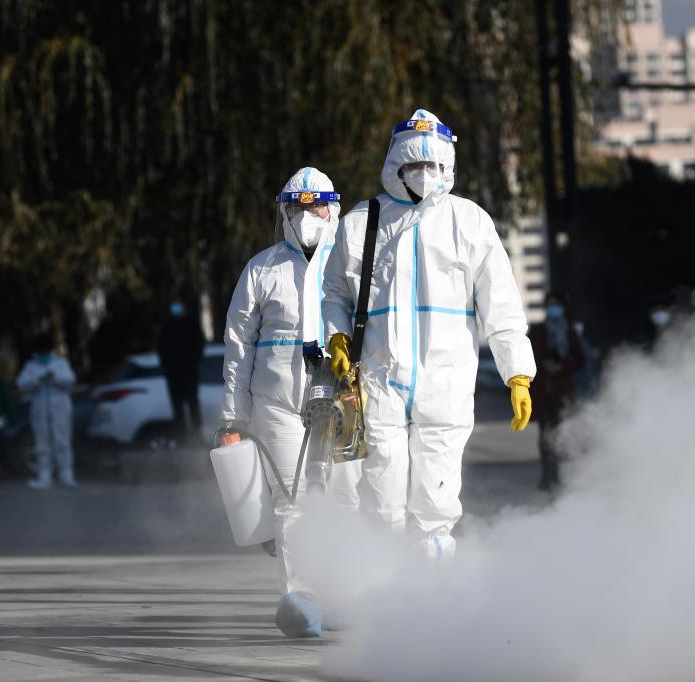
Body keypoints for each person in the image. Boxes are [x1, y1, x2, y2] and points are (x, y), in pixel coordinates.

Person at [322, 109, 536, 559]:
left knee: (436, 500)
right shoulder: (363, 222)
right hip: (380, 377)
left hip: (446, 378)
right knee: (383, 497)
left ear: (448, 166)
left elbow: (500, 302)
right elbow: (335, 292)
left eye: (434, 165)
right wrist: (337, 337)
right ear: (395, 164)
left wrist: (517, 373)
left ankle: (433, 587)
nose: (424, 173)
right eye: (415, 164)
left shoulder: (468, 221)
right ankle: (385, 585)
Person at [219, 167, 361, 638]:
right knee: (292, 499)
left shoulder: (351, 265)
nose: (307, 216)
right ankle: (302, 599)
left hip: (340, 394)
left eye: (316, 206)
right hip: (277, 400)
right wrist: (233, 417)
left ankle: (345, 595)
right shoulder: (262, 269)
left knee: (344, 496)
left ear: (333, 210)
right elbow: (238, 346)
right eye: (297, 208)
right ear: (283, 212)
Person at [528, 293, 585, 490]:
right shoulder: (537, 331)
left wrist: (562, 367)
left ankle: (565, 474)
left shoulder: (569, 332)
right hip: (544, 391)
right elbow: (528, 356)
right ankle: (548, 475)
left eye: (556, 304)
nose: (553, 308)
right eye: (550, 305)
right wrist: (543, 365)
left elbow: (580, 359)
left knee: (566, 433)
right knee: (546, 434)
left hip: (563, 392)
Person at [16, 333, 77, 490]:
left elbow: (70, 380)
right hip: (40, 408)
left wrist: (55, 378)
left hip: (60, 407)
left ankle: (66, 474)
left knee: (62, 441)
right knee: (42, 443)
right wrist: (37, 380)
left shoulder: (60, 363)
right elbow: (21, 384)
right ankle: (44, 476)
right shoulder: (31, 366)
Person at [157, 300, 205, 443]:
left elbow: (199, 346)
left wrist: (192, 362)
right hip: (174, 374)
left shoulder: (191, 325)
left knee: (192, 403)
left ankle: (196, 435)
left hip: (189, 372)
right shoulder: (168, 326)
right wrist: (168, 366)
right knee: (178, 406)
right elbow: (162, 348)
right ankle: (182, 437)